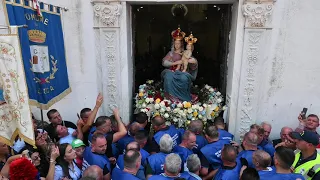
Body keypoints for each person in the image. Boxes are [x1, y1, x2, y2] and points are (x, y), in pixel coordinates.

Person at [161, 27, 198, 102]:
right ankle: (170, 98)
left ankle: (183, 98)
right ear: (173, 44)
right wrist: (175, 63)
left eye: (178, 43)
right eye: (175, 43)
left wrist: (194, 62)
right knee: (168, 76)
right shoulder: (171, 53)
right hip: (172, 71)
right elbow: (164, 62)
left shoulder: (185, 52)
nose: (177, 45)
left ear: (181, 44)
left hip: (182, 72)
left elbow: (192, 64)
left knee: (184, 78)